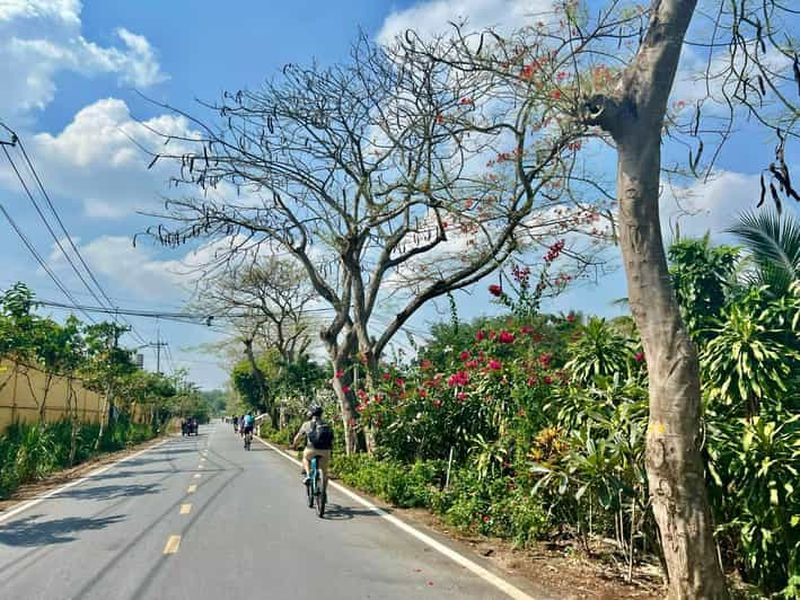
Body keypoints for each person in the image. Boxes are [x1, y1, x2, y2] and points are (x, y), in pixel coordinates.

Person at [292, 406, 334, 494]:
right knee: (325, 472)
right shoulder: (326, 424)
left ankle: (308, 475)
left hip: (311, 450)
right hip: (325, 451)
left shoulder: (306, 424)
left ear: (311, 414)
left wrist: (294, 445)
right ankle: (323, 493)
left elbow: (298, 437)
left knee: (305, 458)